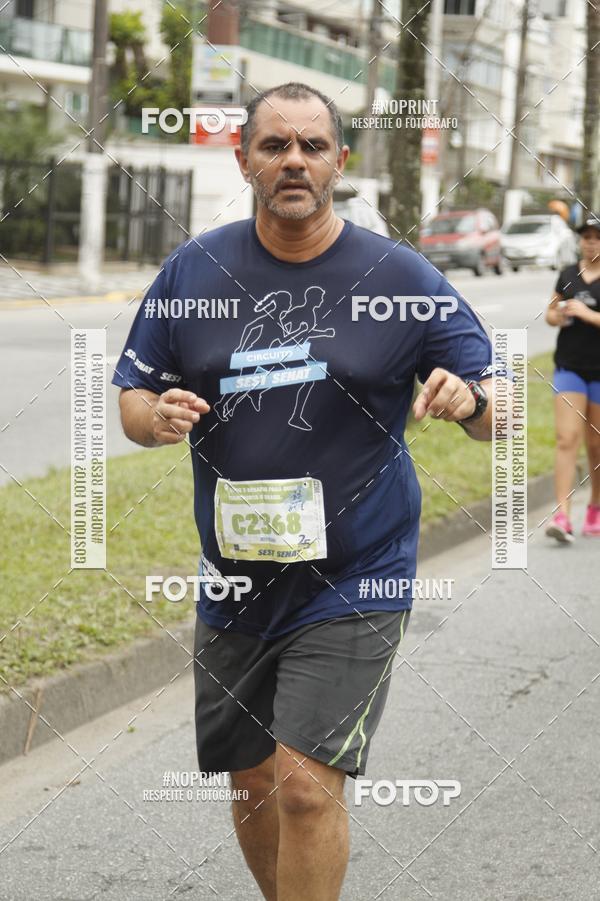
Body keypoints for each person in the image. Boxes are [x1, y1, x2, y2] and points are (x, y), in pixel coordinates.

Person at [112, 83, 505, 901]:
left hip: (358, 574)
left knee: (302, 785)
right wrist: (158, 417)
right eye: (275, 145)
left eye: (312, 146)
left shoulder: (399, 275)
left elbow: (504, 405)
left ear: (338, 162)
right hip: (236, 577)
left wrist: (473, 401)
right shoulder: (194, 269)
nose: (294, 160)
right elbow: (134, 399)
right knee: (253, 780)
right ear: (244, 161)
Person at [545, 215, 600, 542]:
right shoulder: (567, 274)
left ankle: (595, 506)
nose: (590, 243)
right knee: (567, 438)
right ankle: (562, 515)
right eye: (586, 237)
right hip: (569, 367)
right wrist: (561, 315)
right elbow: (550, 313)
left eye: (596, 237)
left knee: (596, 444)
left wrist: (588, 315)